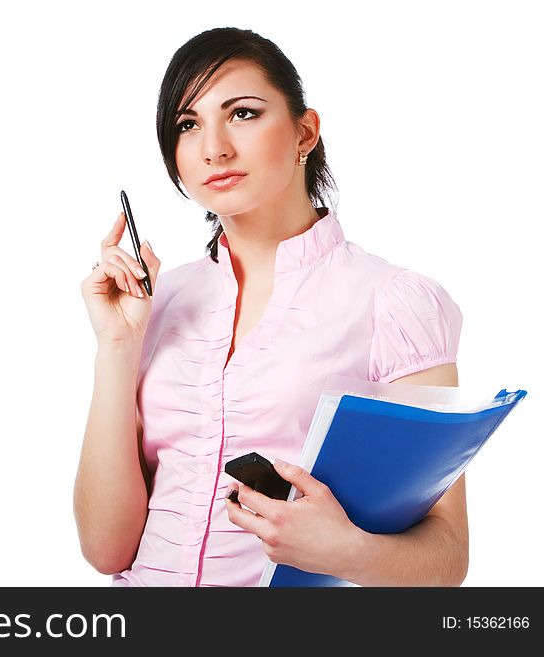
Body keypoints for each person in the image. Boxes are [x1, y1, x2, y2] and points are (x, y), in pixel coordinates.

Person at [74, 27, 468, 587]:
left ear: (305, 131)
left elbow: (447, 557)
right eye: (188, 125)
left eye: (243, 113)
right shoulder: (153, 304)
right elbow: (106, 550)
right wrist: (116, 348)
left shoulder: (394, 303)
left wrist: (342, 549)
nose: (215, 148)